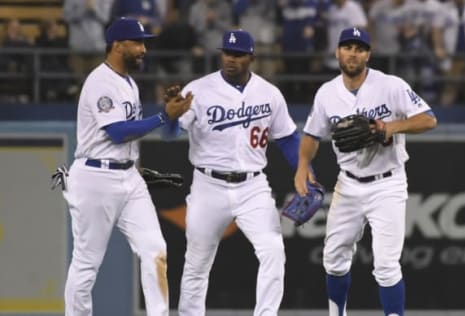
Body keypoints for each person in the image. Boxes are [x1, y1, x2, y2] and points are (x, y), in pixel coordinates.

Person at [294, 27, 437, 316]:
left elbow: (429, 120)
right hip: (347, 185)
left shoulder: (391, 85)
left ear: (368, 54)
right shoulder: (327, 93)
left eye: (359, 48)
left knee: (386, 266)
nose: (353, 53)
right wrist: (302, 167)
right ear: (337, 52)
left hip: (388, 183)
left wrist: (391, 127)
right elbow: (311, 136)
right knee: (333, 260)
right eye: (347, 47)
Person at [61, 17, 193, 316]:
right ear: (117, 45)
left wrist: (170, 114)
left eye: (143, 42)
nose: (143, 49)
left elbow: (151, 132)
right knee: (86, 263)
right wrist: (162, 116)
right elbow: (117, 132)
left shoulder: (129, 83)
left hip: (128, 177)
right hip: (95, 176)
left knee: (155, 251)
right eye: (137, 42)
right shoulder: (100, 81)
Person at [177, 29, 310, 316]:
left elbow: (287, 138)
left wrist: (304, 170)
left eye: (238, 55)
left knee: (273, 250)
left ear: (251, 56)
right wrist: (169, 117)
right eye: (227, 53)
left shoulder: (269, 93)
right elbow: (170, 134)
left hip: (253, 186)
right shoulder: (198, 89)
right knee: (197, 262)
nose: (231, 59)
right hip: (207, 185)